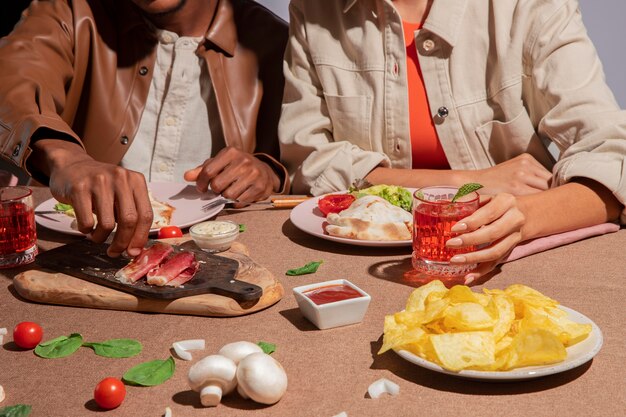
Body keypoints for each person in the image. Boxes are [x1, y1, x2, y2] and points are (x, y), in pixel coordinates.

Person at [279, 0, 625, 282]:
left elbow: (614, 156)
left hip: (510, 266)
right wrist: (464, 182)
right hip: (357, 267)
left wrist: (522, 218)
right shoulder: (313, 10)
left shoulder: (530, 5)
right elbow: (309, 163)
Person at [0, 0, 289, 257]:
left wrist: (269, 172)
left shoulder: (275, 39)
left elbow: (306, 160)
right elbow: (13, 82)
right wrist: (67, 157)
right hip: (81, 253)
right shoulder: (69, 10)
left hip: (216, 256)